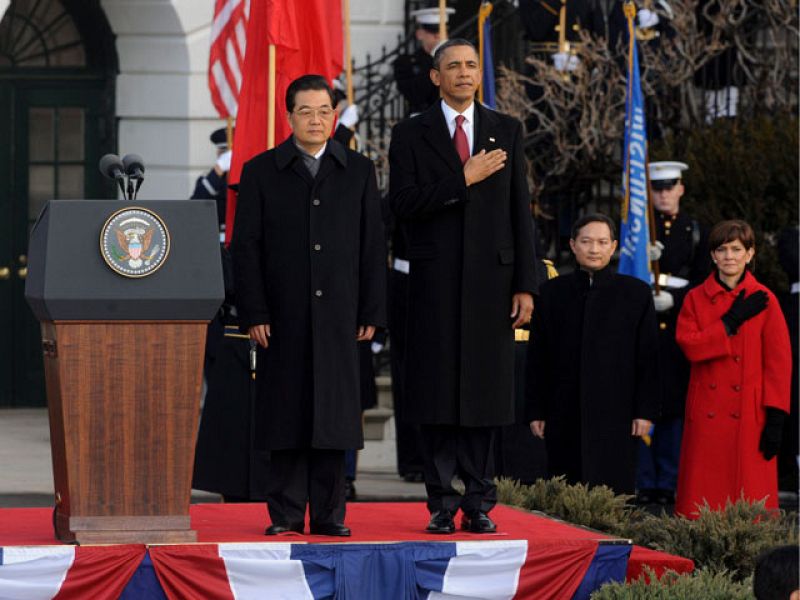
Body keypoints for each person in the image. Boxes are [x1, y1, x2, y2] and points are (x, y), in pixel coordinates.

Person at [388, 38, 538, 534]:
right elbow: (402, 205)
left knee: (483, 397)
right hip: (433, 287)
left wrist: (526, 284)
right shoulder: (410, 134)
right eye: (453, 66)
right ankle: (440, 504)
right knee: (435, 398)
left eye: (471, 65)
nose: (464, 73)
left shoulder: (506, 129)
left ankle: (478, 502)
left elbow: (519, 211)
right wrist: (462, 179)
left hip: (492, 287)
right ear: (436, 77)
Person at [231, 74, 387, 537]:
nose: (316, 120)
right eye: (306, 111)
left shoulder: (358, 170)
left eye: (324, 111)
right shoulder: (261, 171)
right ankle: (284, 515)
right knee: (286, 414)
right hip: (282, 316)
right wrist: (254, 312)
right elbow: (246, 249)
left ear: (334, 116)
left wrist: (371, 311)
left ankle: (329, 514)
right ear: (289, 116)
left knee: (334, 417)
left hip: (341, 315)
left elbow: (372, 245)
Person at [527, 214, 659, 495]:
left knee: (614, 492)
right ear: (573, 245)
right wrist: (536, 410)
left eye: (602, 242)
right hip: (563, 411)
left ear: (613, 247)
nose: (594, 249)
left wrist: (644, 411)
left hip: (618, 413)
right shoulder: (551, 293)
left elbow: (648, 358)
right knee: (564, 492)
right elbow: (539, 358)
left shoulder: (635, 294)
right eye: (586, 242)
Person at [674, 220, 791, 517]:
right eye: (722, 250)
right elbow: (690, 346)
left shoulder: (765, 300)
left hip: (750, 418)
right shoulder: (695, 298)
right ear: (713, 256)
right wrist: (730, 321)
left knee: (748, 504)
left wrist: (776, 419)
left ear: (750, 254)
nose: (729, 256)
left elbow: (778, 364)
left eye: (737, 249)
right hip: (707, 414)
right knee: (702, 502)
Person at [636, 160, 709, 506]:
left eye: (669, 188)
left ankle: (667, 481)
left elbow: (703, 281)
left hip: (678, 325)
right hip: (645, 326)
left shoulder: (695, 231)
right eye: (657, 189)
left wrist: (675, 300)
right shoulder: (639, 230)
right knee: (642, 402)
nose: (663, 195)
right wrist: (640, 255)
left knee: (674, 407)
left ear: (681, 189)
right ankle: (643, 480)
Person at [393, 7, 453, 117]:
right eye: (433, 31)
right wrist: (434, 59)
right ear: (419, 34)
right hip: (422, 119)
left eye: (442, 31)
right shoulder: (406, 63)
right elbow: (416, 96)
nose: (438, 35)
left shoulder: (456, 61)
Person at [191, 127, 232, 231]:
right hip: (216, 233)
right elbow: (195, 204)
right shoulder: (210, 177)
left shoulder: (248, 177)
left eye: (225, 151)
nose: (220, 154)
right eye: (222, 150)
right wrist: (218, 170)